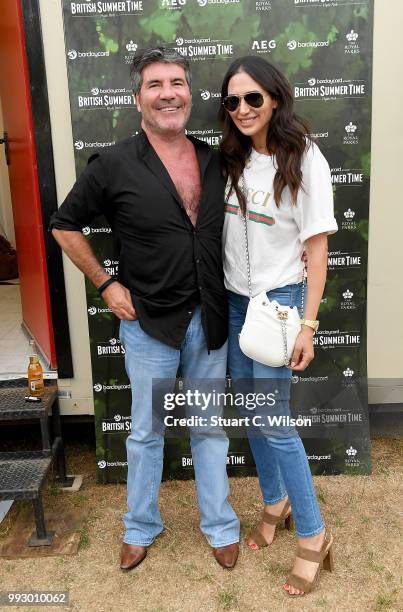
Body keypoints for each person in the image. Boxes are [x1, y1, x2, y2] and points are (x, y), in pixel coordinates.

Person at [51, 47, 240, 571]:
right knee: (146, 431)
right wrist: (106, 284)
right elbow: (64, 225)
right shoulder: (112, 163)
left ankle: (220, 525)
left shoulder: (213, 159)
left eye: (177, 83)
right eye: (155, 85)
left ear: (190, 93)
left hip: (209, 320)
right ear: (138, 99)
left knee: (207, 427)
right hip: (149, 325)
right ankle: (140, 526)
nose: (168, 93)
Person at [219, 56, 338, 595]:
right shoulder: (232, 158)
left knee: (275, 422)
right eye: (233, 100)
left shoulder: (305, 157)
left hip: (281, 305)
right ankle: (275, 502)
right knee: (253, 413)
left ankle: (314, 536)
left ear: (275, 98)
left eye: (253, 98)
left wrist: (308, 325)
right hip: (235, 302)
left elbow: (317, 249)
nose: (242, 109)